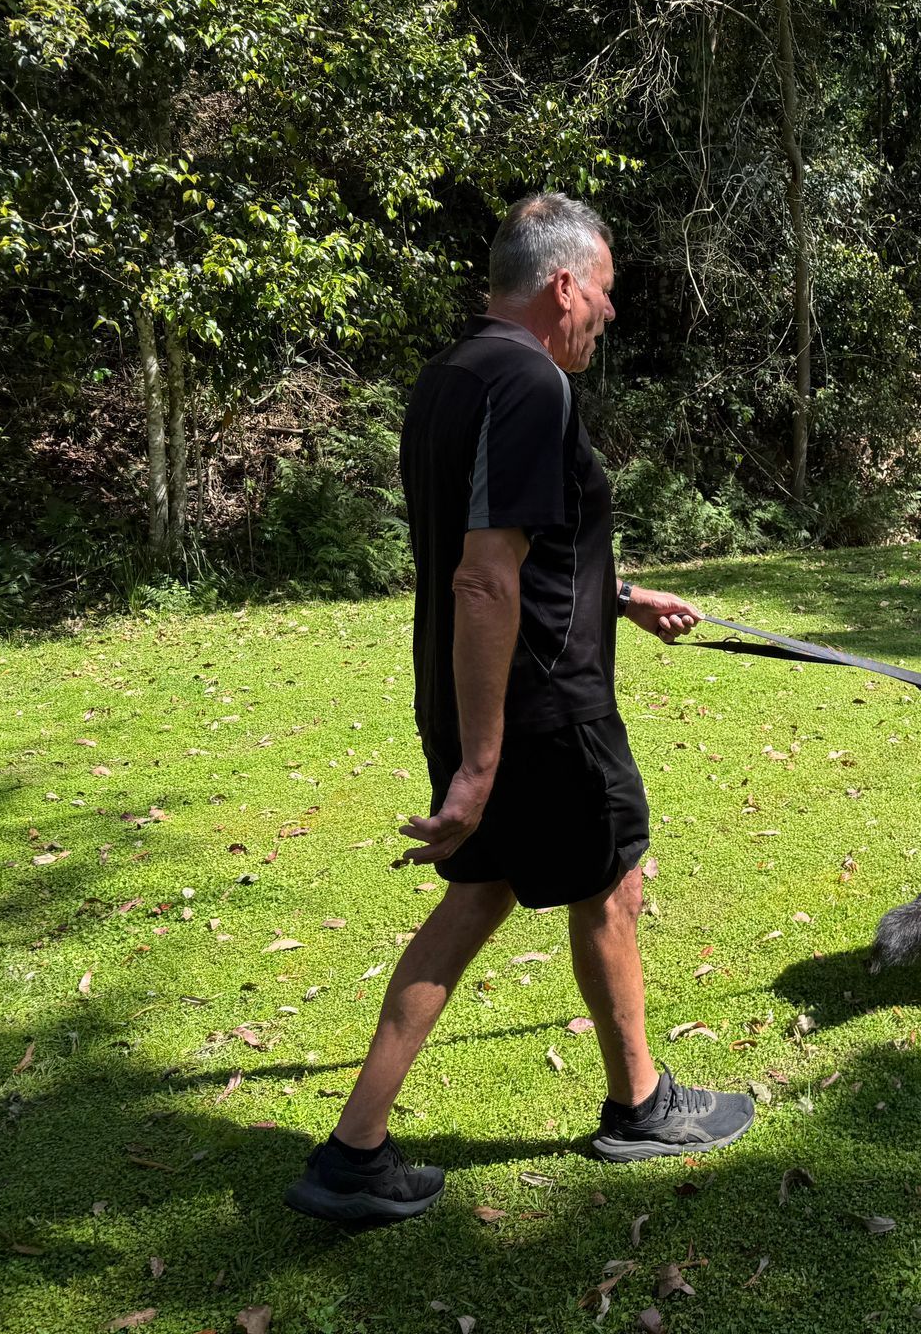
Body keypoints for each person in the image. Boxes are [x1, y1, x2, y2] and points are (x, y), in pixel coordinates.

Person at [284, 193, 755, 1227]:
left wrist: (620, 596)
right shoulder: (533, 382)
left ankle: (353, 1152)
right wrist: (483, 766)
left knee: (480, 894)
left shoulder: (452, 377)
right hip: (539, 711)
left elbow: (504, 545)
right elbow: (485, 580)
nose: (612, 316)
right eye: (609, 293)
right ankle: (641, 1106)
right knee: (612, 886)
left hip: (473, 692)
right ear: (564, 286)